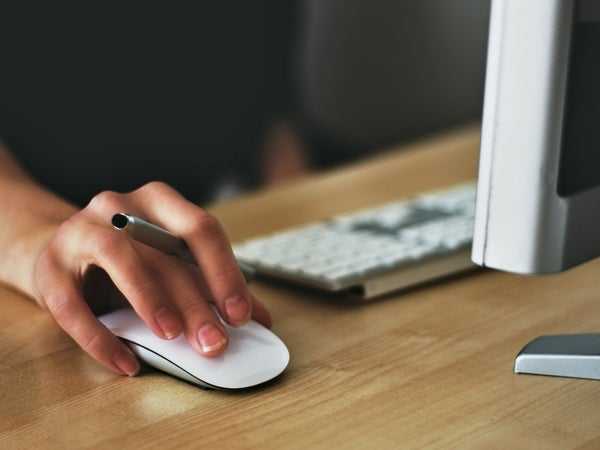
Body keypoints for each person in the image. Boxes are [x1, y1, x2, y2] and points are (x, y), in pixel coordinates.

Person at [0, 1, 490, 378]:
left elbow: (273, 115)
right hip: (57, 221)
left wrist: (317, 246)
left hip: (206, 230)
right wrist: (45, 241)